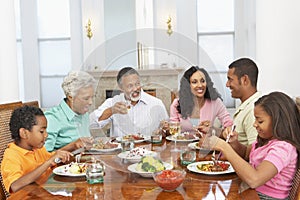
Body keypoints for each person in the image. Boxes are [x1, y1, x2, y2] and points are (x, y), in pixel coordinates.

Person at [207, 92, 300, 200]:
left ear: (278, 122)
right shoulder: (265, 139)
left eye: (260, 121)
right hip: (252, 193)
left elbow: (254, 180)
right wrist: (234, 143)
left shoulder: (283, 148)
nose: (254, 124)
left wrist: (224, 147)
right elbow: (247, 154)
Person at [1, 106, 73, 193]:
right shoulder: (12, 156)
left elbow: (52, 162)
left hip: (44, 193)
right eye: (42, 131)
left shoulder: (38, 149)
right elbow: (15, 186)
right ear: (24, 133)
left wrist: (61, 158)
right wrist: (48, 162)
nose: (46, 135)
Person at [90, 67, 169, 137]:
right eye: (130, 86)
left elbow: (168, 132)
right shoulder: (113, 102)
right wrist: (111, 111)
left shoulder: (156, 103)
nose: (135, 89)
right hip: (121, 151)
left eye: (137, 84)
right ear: (121, 88)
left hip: (148, 150)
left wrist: (165, 130)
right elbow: (91, 123)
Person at [44, 70, 97, 152]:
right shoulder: (51, 119)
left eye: (92, 97)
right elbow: (43, 158)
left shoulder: (84, 114)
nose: (91, 102)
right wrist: (72, 146)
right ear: (70, 97)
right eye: (86, 98)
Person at [169, 66, 233, 133]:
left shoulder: (215, 102)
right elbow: (173, 129)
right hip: (182, 143)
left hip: (207, 143)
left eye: (202, 81)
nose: (200, 85)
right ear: (188, 85)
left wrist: (215, 130)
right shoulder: (177, 103)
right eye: (194, 82)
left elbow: (229, 124)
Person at [225, 58, 260, 145]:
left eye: (230, 79)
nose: (227, 84)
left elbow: (254, 152)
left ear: (244, 80)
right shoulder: (246, 104)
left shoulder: (254, 109)